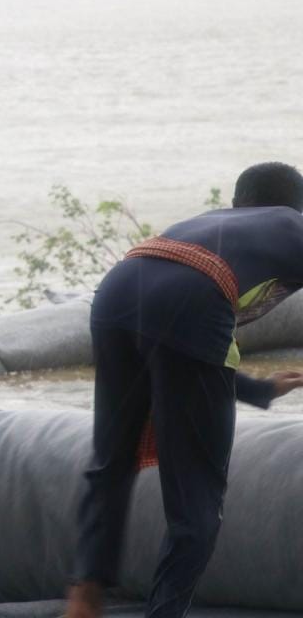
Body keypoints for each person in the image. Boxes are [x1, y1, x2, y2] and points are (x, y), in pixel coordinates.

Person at [67, 162, 303, 618]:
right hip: (193, 296)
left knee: (112, 461)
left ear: (238, 205)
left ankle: (84, 594)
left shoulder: (210, 225)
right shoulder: (293, 225)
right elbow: (189, 333)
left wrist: (257, 389)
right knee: (197, 500)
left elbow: (185, 358)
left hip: (117, 289)